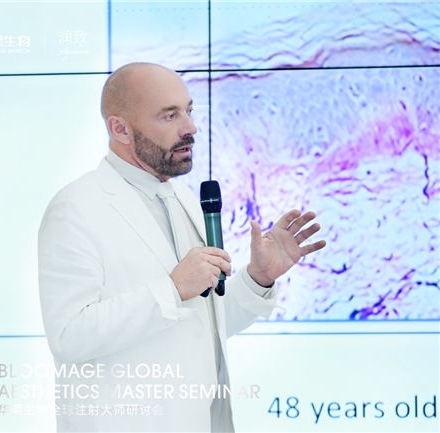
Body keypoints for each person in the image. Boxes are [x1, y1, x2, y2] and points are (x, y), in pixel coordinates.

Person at [38, 62, 326, 432]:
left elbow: (199, 324)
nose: (190, 128)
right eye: (169, 115)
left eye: (188, 111)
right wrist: (172, 288)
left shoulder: (184, 199)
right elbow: (69, 336)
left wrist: (258, 278)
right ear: (120, 128)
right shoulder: (76, 207)